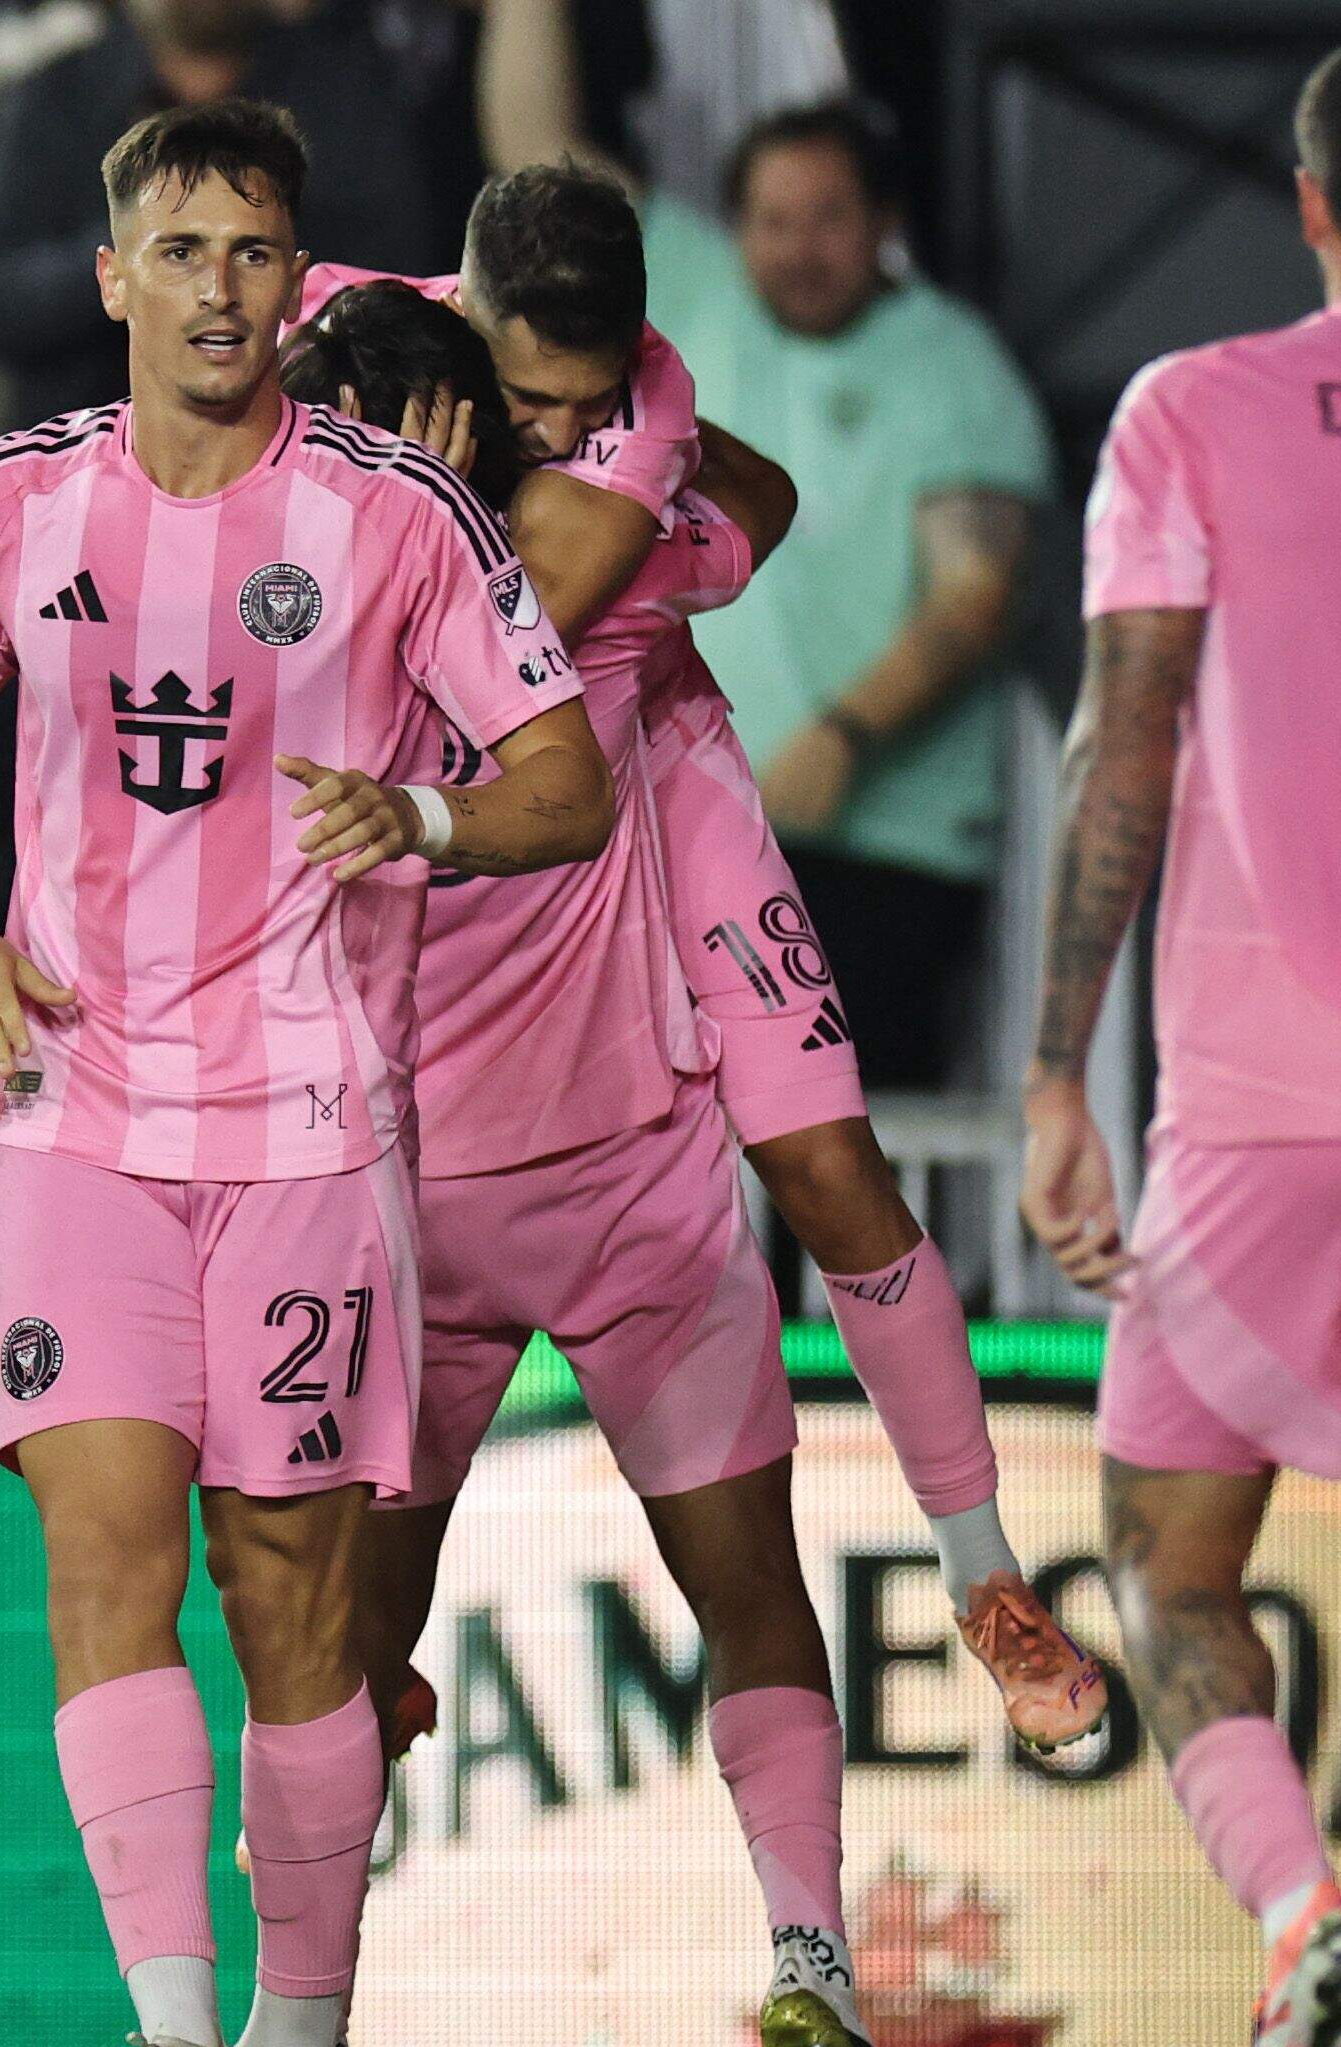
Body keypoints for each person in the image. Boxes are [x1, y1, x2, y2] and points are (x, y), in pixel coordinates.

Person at [0, 100, 612, 2047]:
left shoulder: (398, 516)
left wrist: (424, 810)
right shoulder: (8, 502)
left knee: (286, 1593)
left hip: (302, 1124)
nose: (216, 285)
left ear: (297, 282)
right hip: (75, 1114)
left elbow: (563, 779)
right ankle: (176, 2039)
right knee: (99, 1554)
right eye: (179, 248)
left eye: (252, 249)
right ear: (111, 273)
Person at [316, 136, 1102, 1745]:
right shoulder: (341, 320)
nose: (559, 428)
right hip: (498, 833)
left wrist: (423, 496)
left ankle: (982, 1570)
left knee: (823, 1161)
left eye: (583, 402)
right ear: (460, 313)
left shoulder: (647, 405)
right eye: (527, 398)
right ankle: (336, 1755)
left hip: (658, 765)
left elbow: (522, 619)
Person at [287, 280, 922, 2047]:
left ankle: (304, 2044)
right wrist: (637, 426)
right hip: (590, 1177)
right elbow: (752, 508)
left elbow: (754, 504)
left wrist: (555, 418)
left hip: (452, 1197)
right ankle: (807, 1959)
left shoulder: (312, 634)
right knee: (723, 1594)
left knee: (353, 1648)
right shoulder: (594, 584)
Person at [1023, 37, 1341, 2047]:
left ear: (1308, 199)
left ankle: (1301, 1909)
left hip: (1255, 1108)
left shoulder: (1185, 410)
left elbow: (1119, 737)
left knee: (1165, 1565)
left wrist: (1053, 1064)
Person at [644, 100, 1050, 1094]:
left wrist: (842, 738)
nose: (798, 248)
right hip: (694, 837)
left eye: (827, 217)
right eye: (772, 220)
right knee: (684, 1136)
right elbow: (533, 144)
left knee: (854, 1141)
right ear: (735, 228)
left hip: (886, 858)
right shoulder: (697, 295)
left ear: (884, 221)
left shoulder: (953, 364)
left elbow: (974, 598)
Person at [0, 0, 464, 425]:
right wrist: (148, 241)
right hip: (85, 445)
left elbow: (397, 270)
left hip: (301, 440)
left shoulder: (339, 81)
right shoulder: (61, 93)